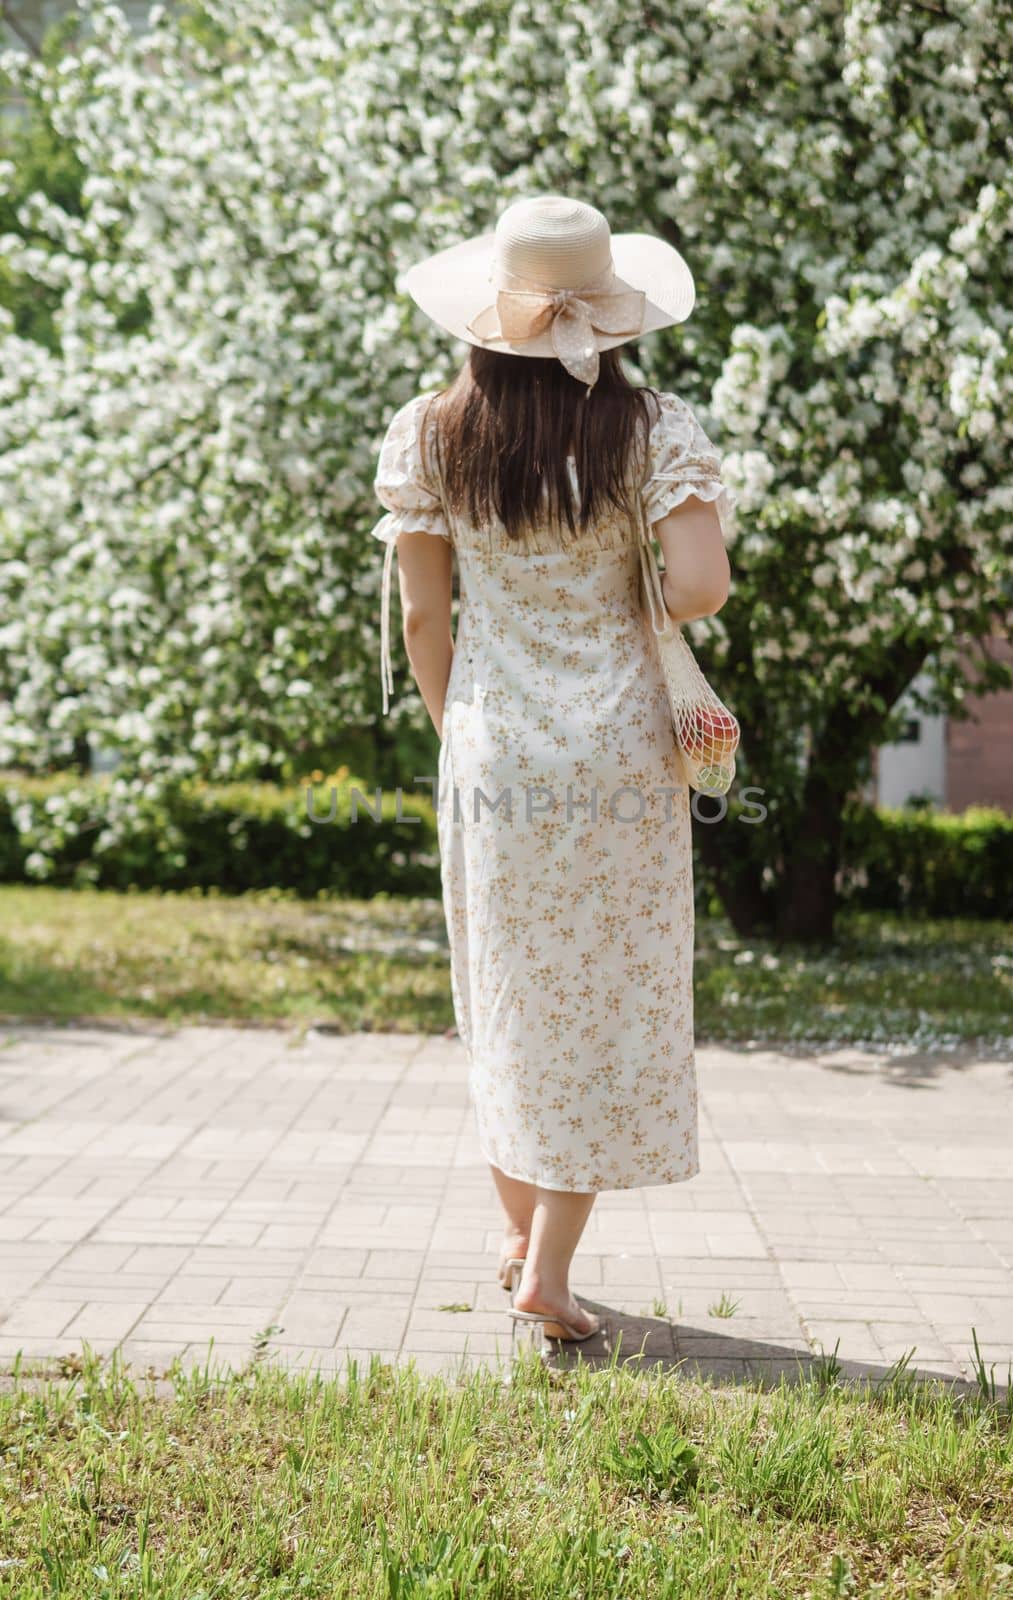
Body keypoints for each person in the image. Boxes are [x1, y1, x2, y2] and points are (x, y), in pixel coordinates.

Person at [370, 194, 733, 1345]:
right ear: (610, 313)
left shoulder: (432, 432)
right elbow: (701, 585)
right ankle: (549, 1268)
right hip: (621, 746)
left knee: (510, 986)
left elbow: (426, 614)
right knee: (604, 994)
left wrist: (455, 722)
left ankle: (520, 1238)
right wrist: (620, 593)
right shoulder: (655, 429)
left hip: (491, 741)